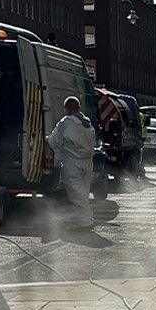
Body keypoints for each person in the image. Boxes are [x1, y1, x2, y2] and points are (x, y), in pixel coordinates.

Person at [48, 96, 97, 230]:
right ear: (79, 108)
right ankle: (81, 220)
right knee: (83, 193)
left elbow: (54, 141)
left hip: (72, 163)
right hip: (87, 162)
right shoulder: (87, 123)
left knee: (77, 195)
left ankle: (85, 222)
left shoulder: (66, 122)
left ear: (66, 109)